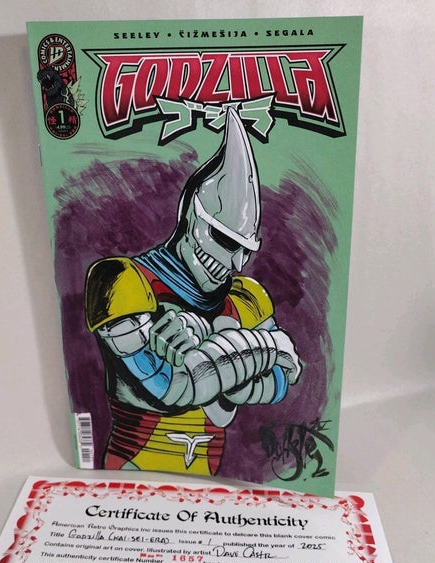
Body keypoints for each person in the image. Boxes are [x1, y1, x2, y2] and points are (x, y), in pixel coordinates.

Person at [85, 108, 301, 475]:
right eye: (224, 240)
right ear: (190, 215)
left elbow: (283, 380)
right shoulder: (122, 281)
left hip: (209, 479)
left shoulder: (246, 298)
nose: (235, 263)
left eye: (245, 250)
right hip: (134, 471)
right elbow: (173, 389)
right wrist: (262, 350)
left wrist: (208, 341)